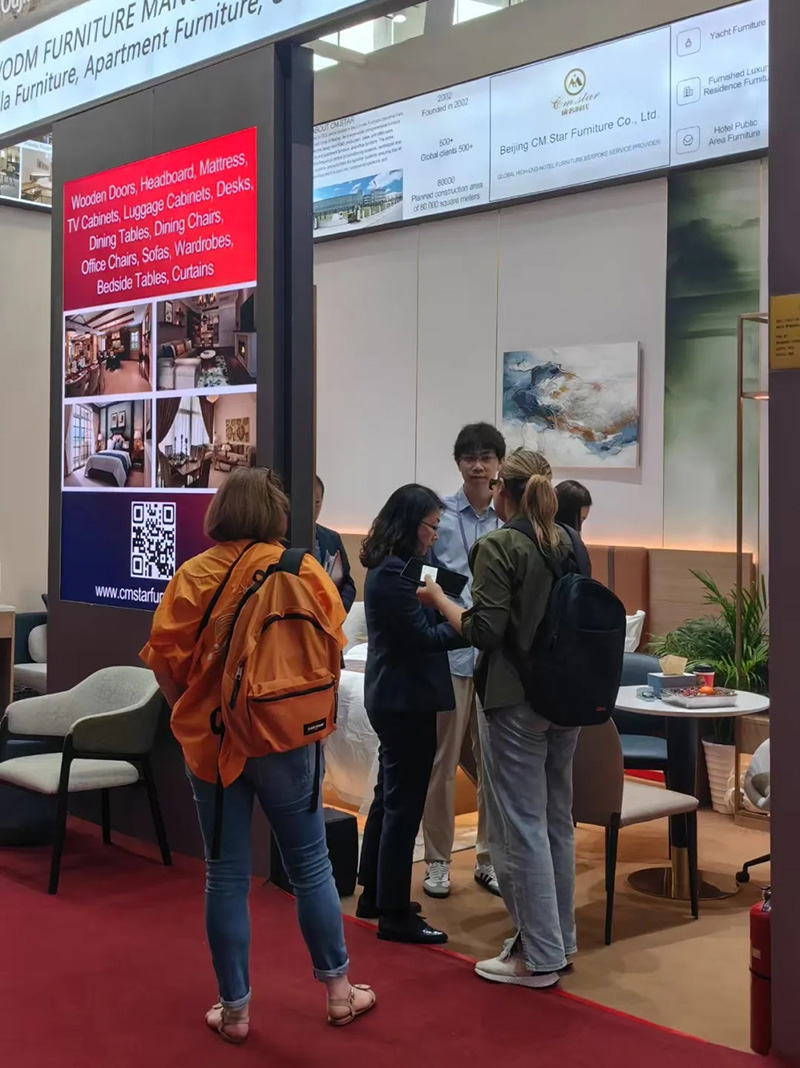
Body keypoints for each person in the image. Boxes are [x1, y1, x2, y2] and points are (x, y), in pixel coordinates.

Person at [140, 468, 375, 1043]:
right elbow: (332, 647)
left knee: (225, 873)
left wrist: (196, 710)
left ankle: (235, 1011)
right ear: (276, 513)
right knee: (311, 864)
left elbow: (164, 661)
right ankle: (339, 992)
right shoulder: (303, 569)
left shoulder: (193, 574)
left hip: (214, 741)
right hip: (287, 738)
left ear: (220, 510)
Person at [419, 449, 580, 989]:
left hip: (514, 699)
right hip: (566, 699)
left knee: (519, 828)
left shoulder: (500, 545)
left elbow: (484, 630)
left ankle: (537, 955)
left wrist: (440, 600)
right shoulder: (568, 541)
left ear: (502, 491)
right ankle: (559, 940)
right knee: (555, 820)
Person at [356, 484, 465, 945]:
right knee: (404, 806)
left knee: (389, 797)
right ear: (410, 524)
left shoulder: (394, 568)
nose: (435, 536)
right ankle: (395, 914)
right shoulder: (393, 575)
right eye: (431, 526)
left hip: (397, 696)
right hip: (404, 700)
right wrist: (463, 621)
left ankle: (375, 894)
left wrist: (438, 601)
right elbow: (424, 639)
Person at [421, 422, 505, 900]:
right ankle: (437, 860)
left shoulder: (506, 519)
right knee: (443, 761)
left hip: (494, 656)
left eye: (486, 457)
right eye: (469, 457)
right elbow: (425, 574)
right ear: (458, 463)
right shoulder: (441, 514)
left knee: (495, 763)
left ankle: (488, 859)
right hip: (452, 651)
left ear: (498, 464)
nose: (477, 465)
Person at [314, 475, 357, 613]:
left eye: (317, 502)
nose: (312, 508)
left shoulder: (332, 538)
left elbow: (348, 583)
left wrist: (339, 609)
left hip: (330, 616)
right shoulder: (281, 540)